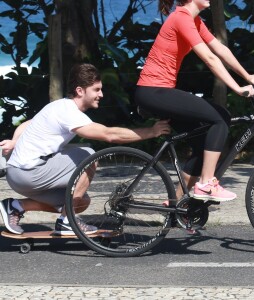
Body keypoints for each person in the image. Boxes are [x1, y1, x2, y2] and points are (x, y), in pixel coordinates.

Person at [0, 63, 171, 235]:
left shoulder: (58, 106)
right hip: (28, 172)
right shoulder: (68, 112)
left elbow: (29, 123)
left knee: (81, 201)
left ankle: (15, 206)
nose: (101, 94)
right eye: (96, 89)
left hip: (21, 174)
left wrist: (15, 141)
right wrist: (151, 131)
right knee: (88, 156)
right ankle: (68, 221)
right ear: (80, 90)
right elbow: (109, 135)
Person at [135, 0, 254, 202]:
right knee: (220, 118)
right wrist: (237, 88)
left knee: (205, 145)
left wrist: (248, 77)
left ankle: (176, 205)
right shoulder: (181, 18)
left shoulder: (194, 20)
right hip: (153, 91)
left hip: (160, 91)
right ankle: (205, 183)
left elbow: (220, 50)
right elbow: (209, 59)